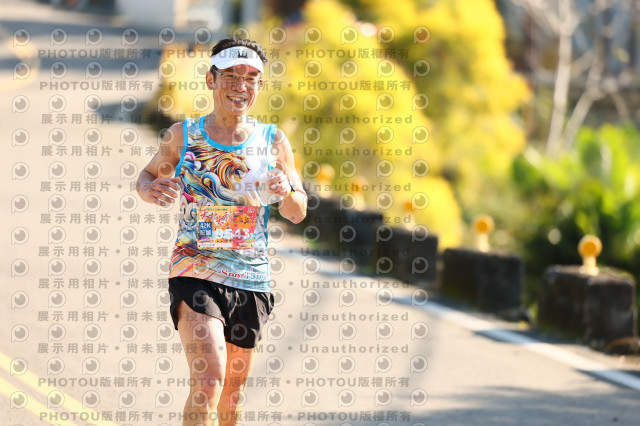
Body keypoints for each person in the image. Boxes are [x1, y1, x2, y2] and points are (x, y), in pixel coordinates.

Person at [137, 37, 307, 426]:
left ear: (259, 85)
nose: (240, 86)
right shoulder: (184, 135)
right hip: (194, 270)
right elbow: (146, 176)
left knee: (231, 397)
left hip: (251, 278)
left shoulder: (273, 141)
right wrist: (151, 189)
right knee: (209, 382)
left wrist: (286, 192)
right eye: (231, 75)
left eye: (250, 78)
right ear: (211, 79)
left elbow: (298, 212)